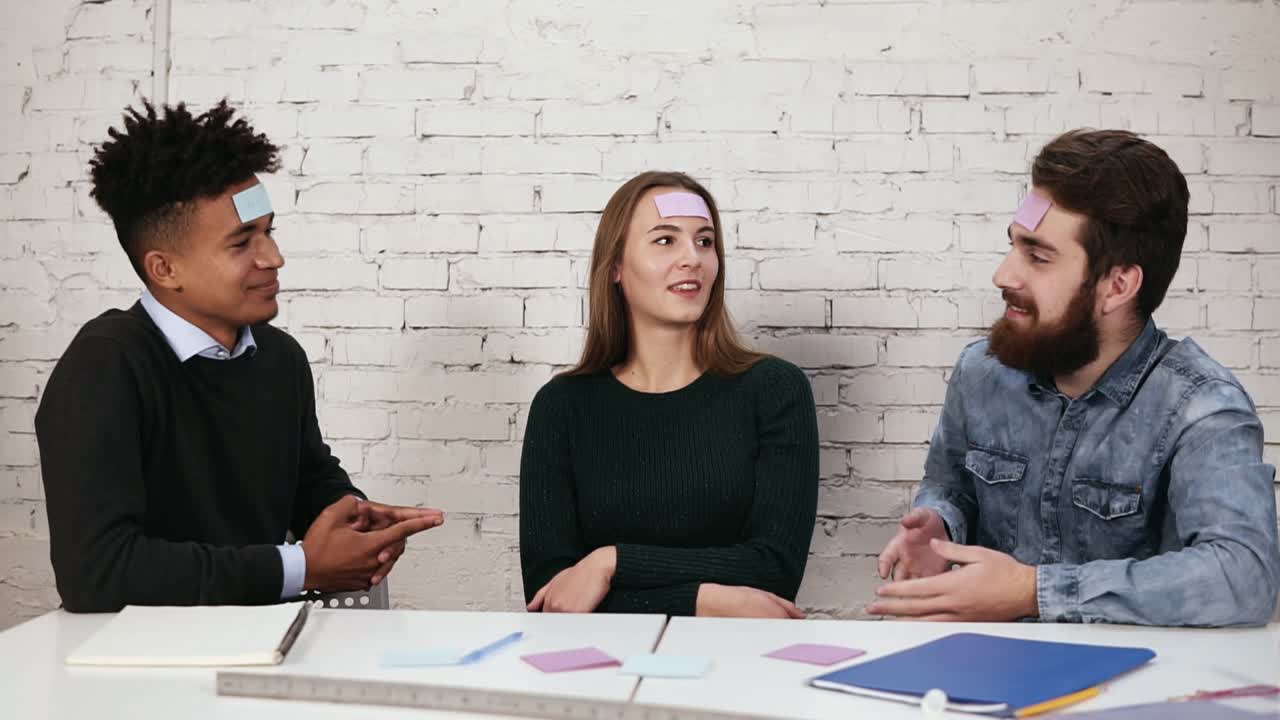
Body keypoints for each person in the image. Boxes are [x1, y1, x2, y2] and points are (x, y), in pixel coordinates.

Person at [35, 100, 444, 612]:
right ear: (164, 269)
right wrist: (301, 566)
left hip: (261, 651)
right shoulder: (105, 367)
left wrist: (353, 519)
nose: (273, 257)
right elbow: (97, 573)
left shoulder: (279, 359)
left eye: (269, 231)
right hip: (139, 669)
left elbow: (309, 481)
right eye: (241, 243)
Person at [872, 129, 1279, 627]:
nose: (1004, 274)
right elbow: (950, 485)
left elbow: (1244, 576)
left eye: (1037, 256)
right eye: (1013, 246)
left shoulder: (1202, 408)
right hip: (987, 669)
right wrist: (939, 526)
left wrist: (1033, 591)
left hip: (1133, 688)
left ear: (1118, 286)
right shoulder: (982, 372)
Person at [519, 171, 819, 617]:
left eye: (704, 241)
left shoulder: (774, 391)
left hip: (741, 667)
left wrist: (612, 561)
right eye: (665, 241)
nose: (692, 259)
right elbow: (554, 596)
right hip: (600, 670)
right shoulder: (562, 406)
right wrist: (714, 599)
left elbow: (773, 570)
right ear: (616, 266)